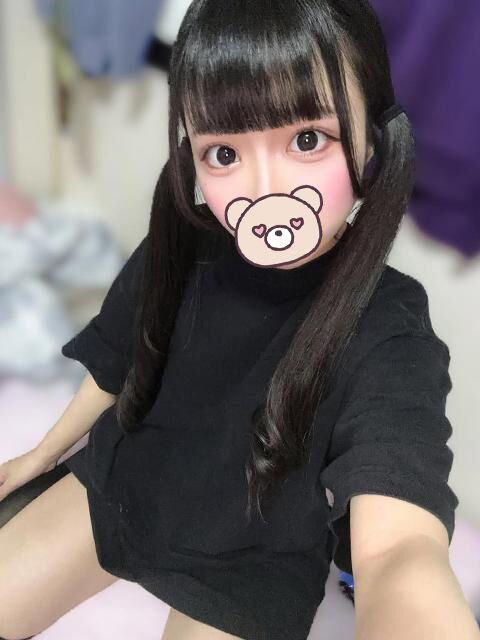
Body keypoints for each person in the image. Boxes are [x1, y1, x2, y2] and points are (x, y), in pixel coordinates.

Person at [1, 1, 475, 639]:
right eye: (224, 152)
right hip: (131, 480)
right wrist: (42, 455)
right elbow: (119, 354)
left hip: (254, 557)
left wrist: (407, 583)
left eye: (307, 140)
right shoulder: (185, 245)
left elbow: (399, 546)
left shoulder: (389, 326)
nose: (264, 188)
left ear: (372, 140)